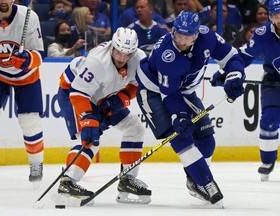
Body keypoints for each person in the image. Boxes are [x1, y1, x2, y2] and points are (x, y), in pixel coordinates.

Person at [136, 11, 245, 205]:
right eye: (179, 35)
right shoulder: (166, 55)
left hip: (184, 92)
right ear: (173, 32)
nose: (183, 41)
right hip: (153, 91)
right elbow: (170, 94)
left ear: (197, 34)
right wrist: (179, 116)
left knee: (207, 140)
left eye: (189, 36)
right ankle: (205, 182)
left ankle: (193, 181)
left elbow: (232, 58)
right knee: (181, 137)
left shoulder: (208, 37)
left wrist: (234, 75)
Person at [56, 27, 151, 205]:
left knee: (135, 128)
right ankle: (67, 182)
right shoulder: (98, 61)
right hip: (74, 92)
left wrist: (121, 98)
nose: (122, 58)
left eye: (127, 54)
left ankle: (127, 179)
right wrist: (88, 118)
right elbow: (78, 92)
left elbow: (136, 84)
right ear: (113, 46)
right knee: (91, 138)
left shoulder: (138, 59)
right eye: (119, 52)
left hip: (104, 94)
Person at [0, 0, 44, 182]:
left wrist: (28, 59)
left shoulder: (29, 17)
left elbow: (39, 55)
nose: (3, 1)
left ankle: (36, 164)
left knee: (29, 121)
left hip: (25, 76)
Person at [236, 0, 280, 181]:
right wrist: (231, 71)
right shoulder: (262, 34)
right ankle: (268, 162)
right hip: (274, 82)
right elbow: (244, 55)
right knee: (269, 120)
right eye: (276, 15)